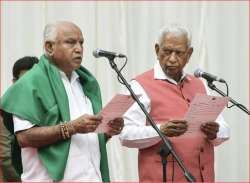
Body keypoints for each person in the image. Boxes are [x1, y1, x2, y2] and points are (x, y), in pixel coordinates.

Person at [1, 21, 124, 182]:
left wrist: (106, 132)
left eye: (81, 43)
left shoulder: (85, 82)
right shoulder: (30, 83)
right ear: (49, 47)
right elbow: (24, 138)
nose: (79, 49)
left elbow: (83, 139)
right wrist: (72, 127)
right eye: (70, 42)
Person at [119, 24, 230, 182]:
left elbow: (225, 130)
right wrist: (160, 130)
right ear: (157, 50)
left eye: (178, 53)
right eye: (167, 51)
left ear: (189, 54)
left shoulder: (201, 84)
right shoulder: (139, 85)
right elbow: (125, 135)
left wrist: (215, 132)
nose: (172, 58)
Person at [0, 56, 39, 181]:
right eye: (24, 81)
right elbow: (5, 158)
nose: (30, 86)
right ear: (14, 82)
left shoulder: (46, 105)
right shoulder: (5, 110)